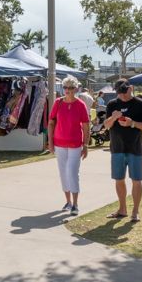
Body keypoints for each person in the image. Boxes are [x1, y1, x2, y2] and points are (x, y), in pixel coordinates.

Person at [104, 79, 142, 222]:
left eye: (125, 92)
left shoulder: (141, 104)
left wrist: (132, 123)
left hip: (135, 148)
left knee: (136, 180)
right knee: (119, 179)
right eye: (120, 93)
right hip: (117, 148)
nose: (123, 96)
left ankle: (135, 211)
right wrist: (113, 117)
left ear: (131, 88)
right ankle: (122, 209)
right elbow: (106, 126)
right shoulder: (112, 104)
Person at [47, 76, 90, 216]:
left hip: (75, 144)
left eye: (70, 88)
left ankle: (75, 204)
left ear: (76, 89)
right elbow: (51, 123)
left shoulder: (80, 105)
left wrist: (85, 145)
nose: (67, 90)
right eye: (65, 87)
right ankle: (68, 201)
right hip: (59, 143)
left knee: (72, 172)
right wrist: (50, 142)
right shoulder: (58, 103)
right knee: (63, 173)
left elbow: (85, 126)